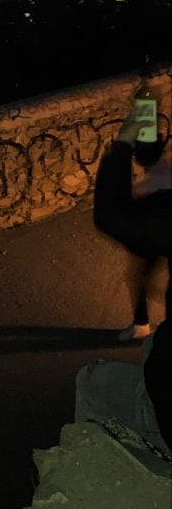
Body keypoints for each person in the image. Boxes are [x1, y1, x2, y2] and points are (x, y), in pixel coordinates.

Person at [78, 108, 172, 458]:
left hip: (166, 414)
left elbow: (112, 215)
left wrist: (122, 144)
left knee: (92, 382)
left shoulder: (152, 187)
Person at [119, 135, 171, 342]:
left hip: (152, 241)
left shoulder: (142, 187)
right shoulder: (167, 171)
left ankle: (141, 324)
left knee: (139, 280)